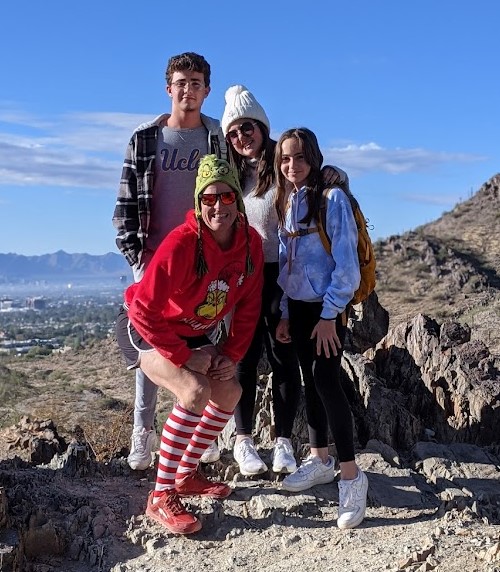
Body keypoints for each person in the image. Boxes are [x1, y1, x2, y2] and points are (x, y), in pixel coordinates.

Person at [116, 154, 264, 534]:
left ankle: (186, 474)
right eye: (209, 199)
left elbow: (248, 306)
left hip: (192, 329)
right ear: (198, 204)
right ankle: (161, 495)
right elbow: (144, 311)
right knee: (195, 389)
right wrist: (184, 357)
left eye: (226, 197)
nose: (218, 206)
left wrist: (230, 355)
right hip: (145, 329)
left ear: (238, 200)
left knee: (229, 390)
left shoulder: (250, 246)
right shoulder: (182, 244)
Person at [112, 52, 227, 471]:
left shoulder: (218, 138)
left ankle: (200, 434)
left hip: (203, 262)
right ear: (168, 88)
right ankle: (143, 433)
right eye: (181, 82)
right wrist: (137, 258)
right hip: (154, 259)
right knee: (152, 344)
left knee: (203, 337)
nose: (188, 90)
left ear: (206, 90)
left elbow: (254, 171)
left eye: (196, 82)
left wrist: (325, 174)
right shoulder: (145, 139)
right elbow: (124, 203)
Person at [274, 127, 368, 529]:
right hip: (296, 308)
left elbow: (346, 268)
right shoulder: (290, 199)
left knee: (327, 383)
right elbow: (285, 262)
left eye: (298, 157)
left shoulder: (333, 200)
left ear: (313, 157)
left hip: (325, 311)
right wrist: (282, 311)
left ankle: (352, 477)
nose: (291, 165)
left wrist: (330, 316)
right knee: (309, 381)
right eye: (284, 159)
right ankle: (319, 459)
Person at [208, 85, 303, 476]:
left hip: (282, 273)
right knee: (242, 358)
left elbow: (320, 179)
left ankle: (283, 443)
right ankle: (243, 440)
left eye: (247, 128)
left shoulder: (282, 167)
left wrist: (336, 174)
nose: (242, 137)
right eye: (234, 132)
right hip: (242, 277)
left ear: (262, 127)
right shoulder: (231, 175)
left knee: (284, 358)